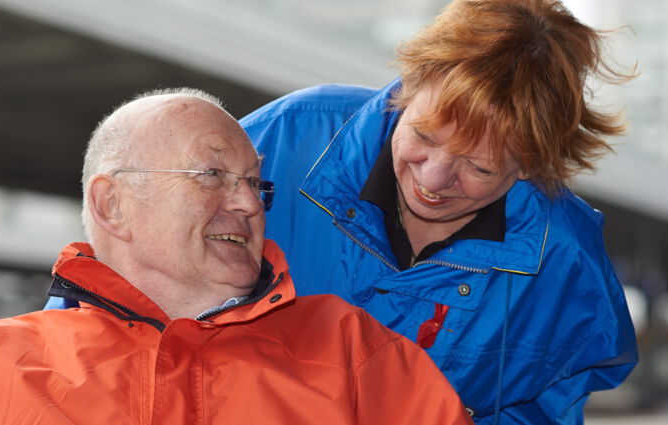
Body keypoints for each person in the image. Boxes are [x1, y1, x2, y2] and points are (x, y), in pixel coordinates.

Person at [0, 89, 472, 425]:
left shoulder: (354, 352)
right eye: (212, 176)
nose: (249, 202)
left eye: (256, 184)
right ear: (113, 204)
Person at [238, 0, 638, 423]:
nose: (433, 178)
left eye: (478, 166)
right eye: (423, 136)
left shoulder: (566, 258)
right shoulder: (285, 140)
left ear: (532, 164)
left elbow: (548, 403)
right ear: (408, 88)